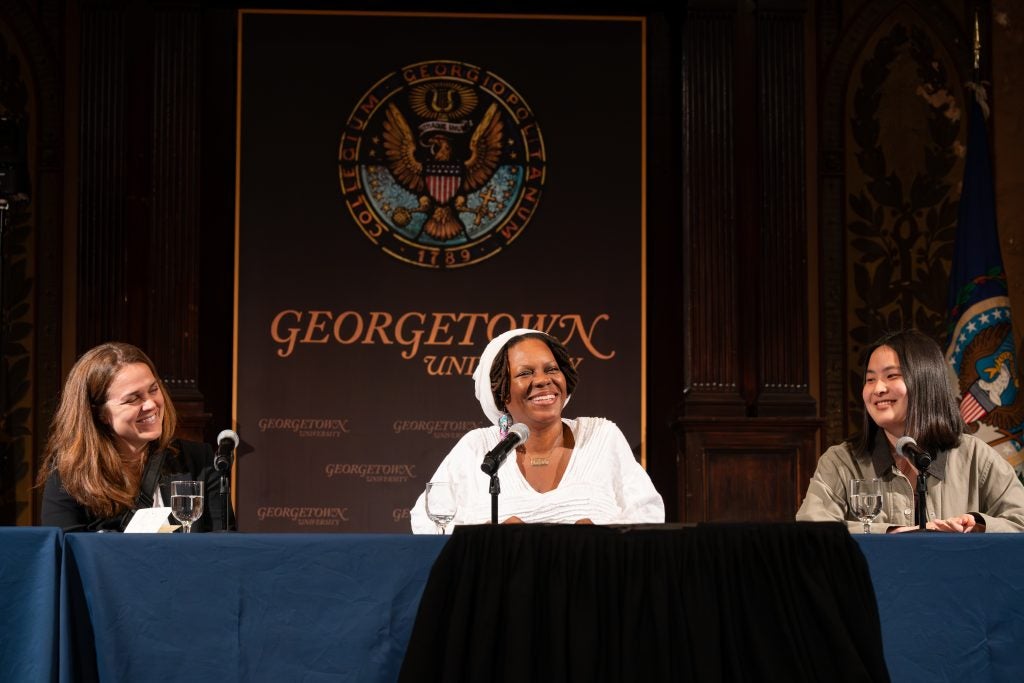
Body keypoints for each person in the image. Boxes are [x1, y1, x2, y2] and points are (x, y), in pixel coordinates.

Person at [410, 328, 664, 532]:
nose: (543, 380)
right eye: (525, 373)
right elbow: (428, 521)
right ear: (502, 391)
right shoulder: (477, 448)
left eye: (551, 369)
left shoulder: (601, 436)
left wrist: (602, 538)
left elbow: (648, 514)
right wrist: (485, 538)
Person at [797, 329, 1024, 532]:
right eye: (870, 379)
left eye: (891, 376)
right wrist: (892, 533)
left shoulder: (975, 455)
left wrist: (979, 527)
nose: (877, 389)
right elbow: (811, 530)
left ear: (925, 382)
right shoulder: (841, 461)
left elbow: (1020, 521)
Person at [37, 342, 233, 532]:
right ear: (99, 414)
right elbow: (66, 549)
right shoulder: (69, 476)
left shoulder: (199, 460)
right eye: (133, 399)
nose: (151, 405)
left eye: (154, 389)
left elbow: (223, 545)